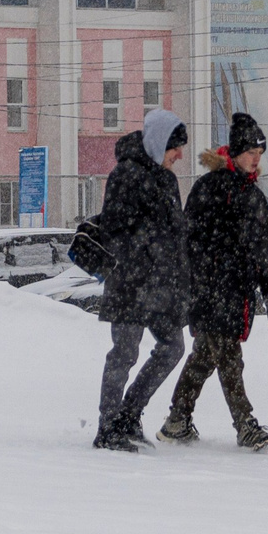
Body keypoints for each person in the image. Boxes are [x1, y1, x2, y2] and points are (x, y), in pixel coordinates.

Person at [160, 112, 268, 450]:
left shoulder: (253, 194)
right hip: (211, 291)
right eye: (251, 153)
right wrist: (198, 282)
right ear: (235, 152)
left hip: (236, 293)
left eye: (260, 154)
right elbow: (189, 241)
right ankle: (245, 425)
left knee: (204, 358)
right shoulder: (211, 187)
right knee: (230, 359)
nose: (256, 159)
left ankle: (177, 420)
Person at [86, 107, 191, 451]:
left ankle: (130, 414)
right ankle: (108, 427)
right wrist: (149, 242)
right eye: (176, 147)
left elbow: (174, 233)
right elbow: (116, 228)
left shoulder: (167, 179)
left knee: (173, 348)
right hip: (130, 281)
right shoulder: (126, 174)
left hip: (161, 285)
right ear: (160, 142)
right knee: (124, 353)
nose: (179, 155)